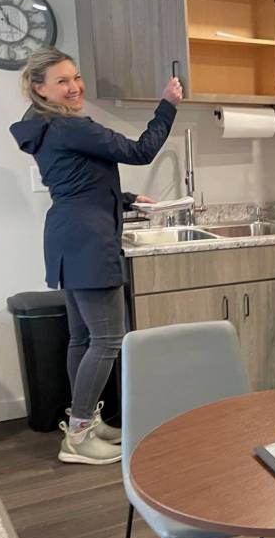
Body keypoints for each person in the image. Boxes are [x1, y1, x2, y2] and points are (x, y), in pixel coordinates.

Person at [10, 48, 182, 465]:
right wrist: (167, 105)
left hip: (68, 236)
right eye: (62, 82)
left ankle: (82, 422)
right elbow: (140, 150)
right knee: (106, 339)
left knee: (84, 338)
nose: (75, 87)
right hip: (89, 241)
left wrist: (124, 198)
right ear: (40, 89)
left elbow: (75, 181)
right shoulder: (69, 126)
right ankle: (80, 436)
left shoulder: (42, 127)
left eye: (76, 77)